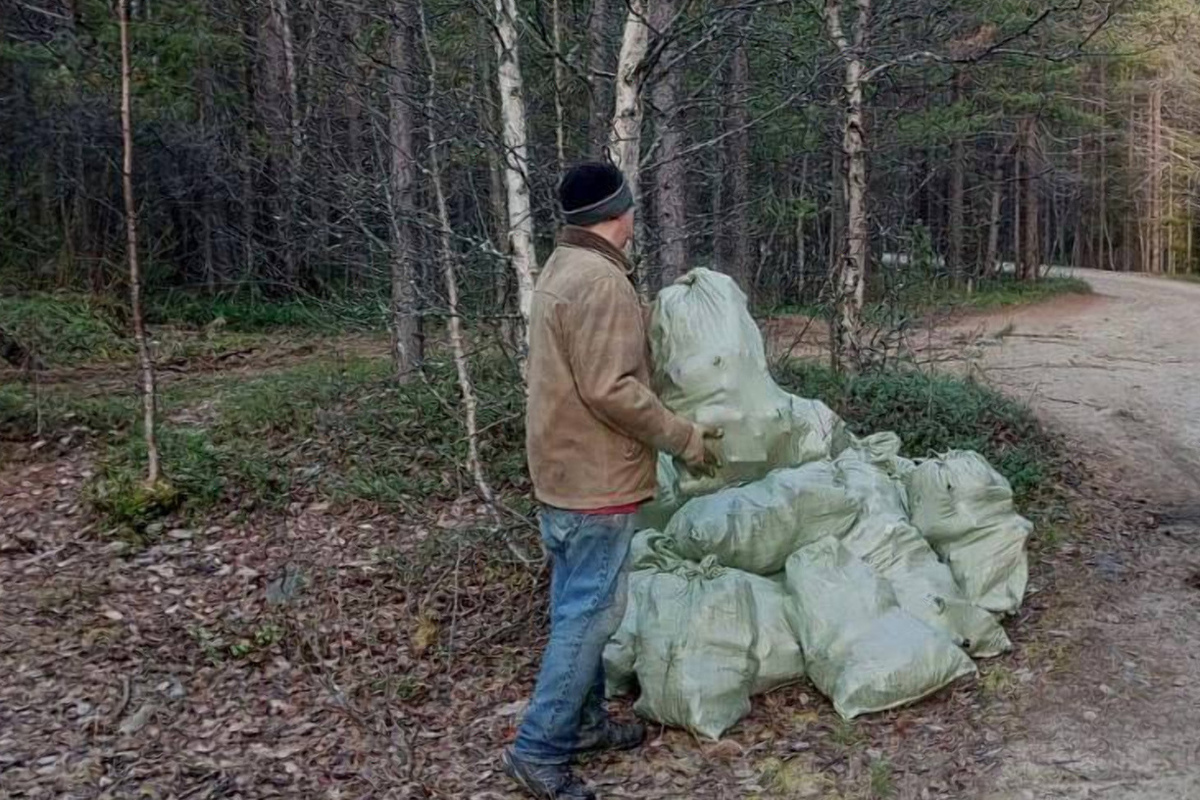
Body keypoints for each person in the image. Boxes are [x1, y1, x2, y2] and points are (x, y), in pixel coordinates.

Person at [501, 161, 721, 799]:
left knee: (578, 604)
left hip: (561, 471)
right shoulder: (600, 281)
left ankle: (587, 724)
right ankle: (539, 751)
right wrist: (684, 437)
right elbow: (611, 389)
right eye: (631, 207)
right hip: (594, 478)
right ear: (619, 214)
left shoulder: (563, 267)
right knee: (592, 615)